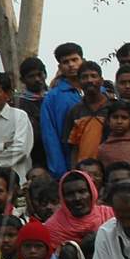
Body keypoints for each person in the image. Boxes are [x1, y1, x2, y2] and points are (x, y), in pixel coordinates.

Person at [39, 43, 85, 177]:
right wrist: (61, 173)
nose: (71, 65)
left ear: (82, 60)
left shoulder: (99, 91)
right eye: (66, 62)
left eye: (75, 60)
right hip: (69, 164)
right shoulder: (52, 97)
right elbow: (50, 137)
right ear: (60, 67)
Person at [61, 60, 111, 166]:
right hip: (84, 169)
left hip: (109, 167)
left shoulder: (113, 108)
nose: (89, 80)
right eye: (85, 77)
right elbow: (72, 146)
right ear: (79, 82)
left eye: (93, 76)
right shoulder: (75, 111)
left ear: (101, 81)